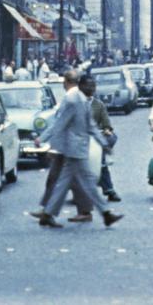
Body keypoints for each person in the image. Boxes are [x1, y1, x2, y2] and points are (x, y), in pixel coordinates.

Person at [30, 72, 121, 229]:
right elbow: (60, 123)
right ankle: (106, 214)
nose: (93, 88)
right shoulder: (73, 100)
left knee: (65, 183)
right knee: (86, 181)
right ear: (81, 84)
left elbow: (90, 125)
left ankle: (48, 214)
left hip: (77, 148)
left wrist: (103, 143)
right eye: (89, 85)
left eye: (93, 86)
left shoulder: (82, 99)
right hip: (73, 148)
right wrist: (43, 139)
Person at [82, 76, 120, 204]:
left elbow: (106, 124)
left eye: (92, 87)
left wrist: (107, 130)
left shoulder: (99, 105)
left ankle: (109, 189)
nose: (90, 89)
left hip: (95, 139)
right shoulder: (75, 103)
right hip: (79, 139)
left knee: (101, 159)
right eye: (87, 86)